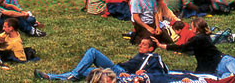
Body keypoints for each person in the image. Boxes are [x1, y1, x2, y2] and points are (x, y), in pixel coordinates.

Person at [157, 17, 235, 82]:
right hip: (217, 70)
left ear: (196, 28)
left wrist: (164, 46)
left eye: (191, 27)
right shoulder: (201, 38)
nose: (190, 29)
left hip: (225, 61)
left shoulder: (199, 38)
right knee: (227, 81)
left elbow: (183, 47)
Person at [34, 37, 168, 80]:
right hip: (117, 68)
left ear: (151, 49)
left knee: (92, 52)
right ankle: (51, 77)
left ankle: (71, 75)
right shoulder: (144, 55)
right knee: (88, 71)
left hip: (118, 71)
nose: (140, 45)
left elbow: (162, 70)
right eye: (141, 43)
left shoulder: (152, 57)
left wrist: (135, 75)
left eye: (144, 45)